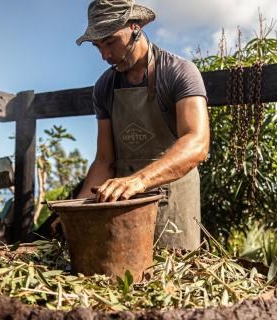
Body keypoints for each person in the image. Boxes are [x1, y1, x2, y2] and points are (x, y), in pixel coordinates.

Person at [74, 0, 210, 250]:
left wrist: (139, 181)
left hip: (174, 206)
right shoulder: (104, 87)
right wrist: (77, 209)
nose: (105, 55)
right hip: (124, 207)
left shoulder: (179, 72)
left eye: (111, 41)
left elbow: (197, 142)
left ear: (135, 27)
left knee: (173, 281)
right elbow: (104, 161)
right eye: (98, 47)